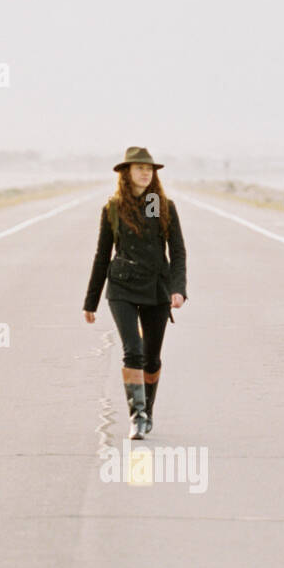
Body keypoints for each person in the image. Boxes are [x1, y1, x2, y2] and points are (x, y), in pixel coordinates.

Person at [83, 146, 187, 439]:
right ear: (126, 173)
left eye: (149, 168)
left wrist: (178, 289)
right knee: (134, 351)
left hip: (156, 289)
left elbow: (177, 252)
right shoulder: (113, 208)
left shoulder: (159, 204)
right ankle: (137, 416)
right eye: (139, 168)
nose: (145, 172)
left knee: (152, 359)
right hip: (122, 288)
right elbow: (102, 256)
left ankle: (147, 411)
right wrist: (91, 301)